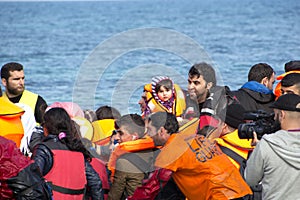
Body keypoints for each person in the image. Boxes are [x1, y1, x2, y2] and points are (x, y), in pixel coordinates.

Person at [129, 112, 252, 200]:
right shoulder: (198, 138)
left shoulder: (170, 150)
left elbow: (152, 185)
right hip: (241, 191)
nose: (148, 135)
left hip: (219, 195)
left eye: (150, 131)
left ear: (162, 131)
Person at [31, 107, 103, 200]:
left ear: (46, 127)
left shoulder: (44, 149)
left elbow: (32, 180)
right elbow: (96, 182)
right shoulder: (78, 151)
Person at [244, 94, 300, 200]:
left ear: (282, 115)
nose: (274, 118)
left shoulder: (267, 144)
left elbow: (250, 179)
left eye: (275, 115)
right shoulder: (267, 144)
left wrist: (257, 150)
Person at [107, 114, 157, 200]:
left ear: (134, 136)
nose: (117, 138)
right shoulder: (156, 153)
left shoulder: (123, 162)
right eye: (116, 133)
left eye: (120, 133)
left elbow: (114, 196)